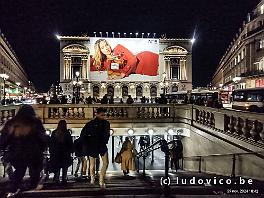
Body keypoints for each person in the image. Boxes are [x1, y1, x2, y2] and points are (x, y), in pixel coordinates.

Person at [0, 105, 48, 197]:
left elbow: (4, 139)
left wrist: (3, 148)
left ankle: (13, 187)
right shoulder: (35, 122)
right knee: (34, 170)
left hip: (16, 152)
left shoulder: (12, 123)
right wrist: (42, 148)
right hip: (33, 152)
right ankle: (31, 185)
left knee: (19, 170)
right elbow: (42, 137)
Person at [90, 39, 159, 80]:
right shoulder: (105, 63)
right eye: (102, 47)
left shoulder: (118, 47)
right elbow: (90, 65)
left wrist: (123, 74)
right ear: (100, 51)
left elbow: (133, 60)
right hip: (142, 70)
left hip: (145, 58)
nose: (106, 48)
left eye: (106, 45)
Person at [80, 107, 110, 188]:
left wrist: (105, 140)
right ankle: (93, 178)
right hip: (93, 145)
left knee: (105, 163)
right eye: (102, 115)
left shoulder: (106, 123)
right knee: (92, 164)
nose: (104, 116)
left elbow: (107, 133)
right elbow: (83, 135)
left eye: (104, 115)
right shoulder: (91, 123)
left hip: (100, 145)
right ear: (97, 114)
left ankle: (100, 180)